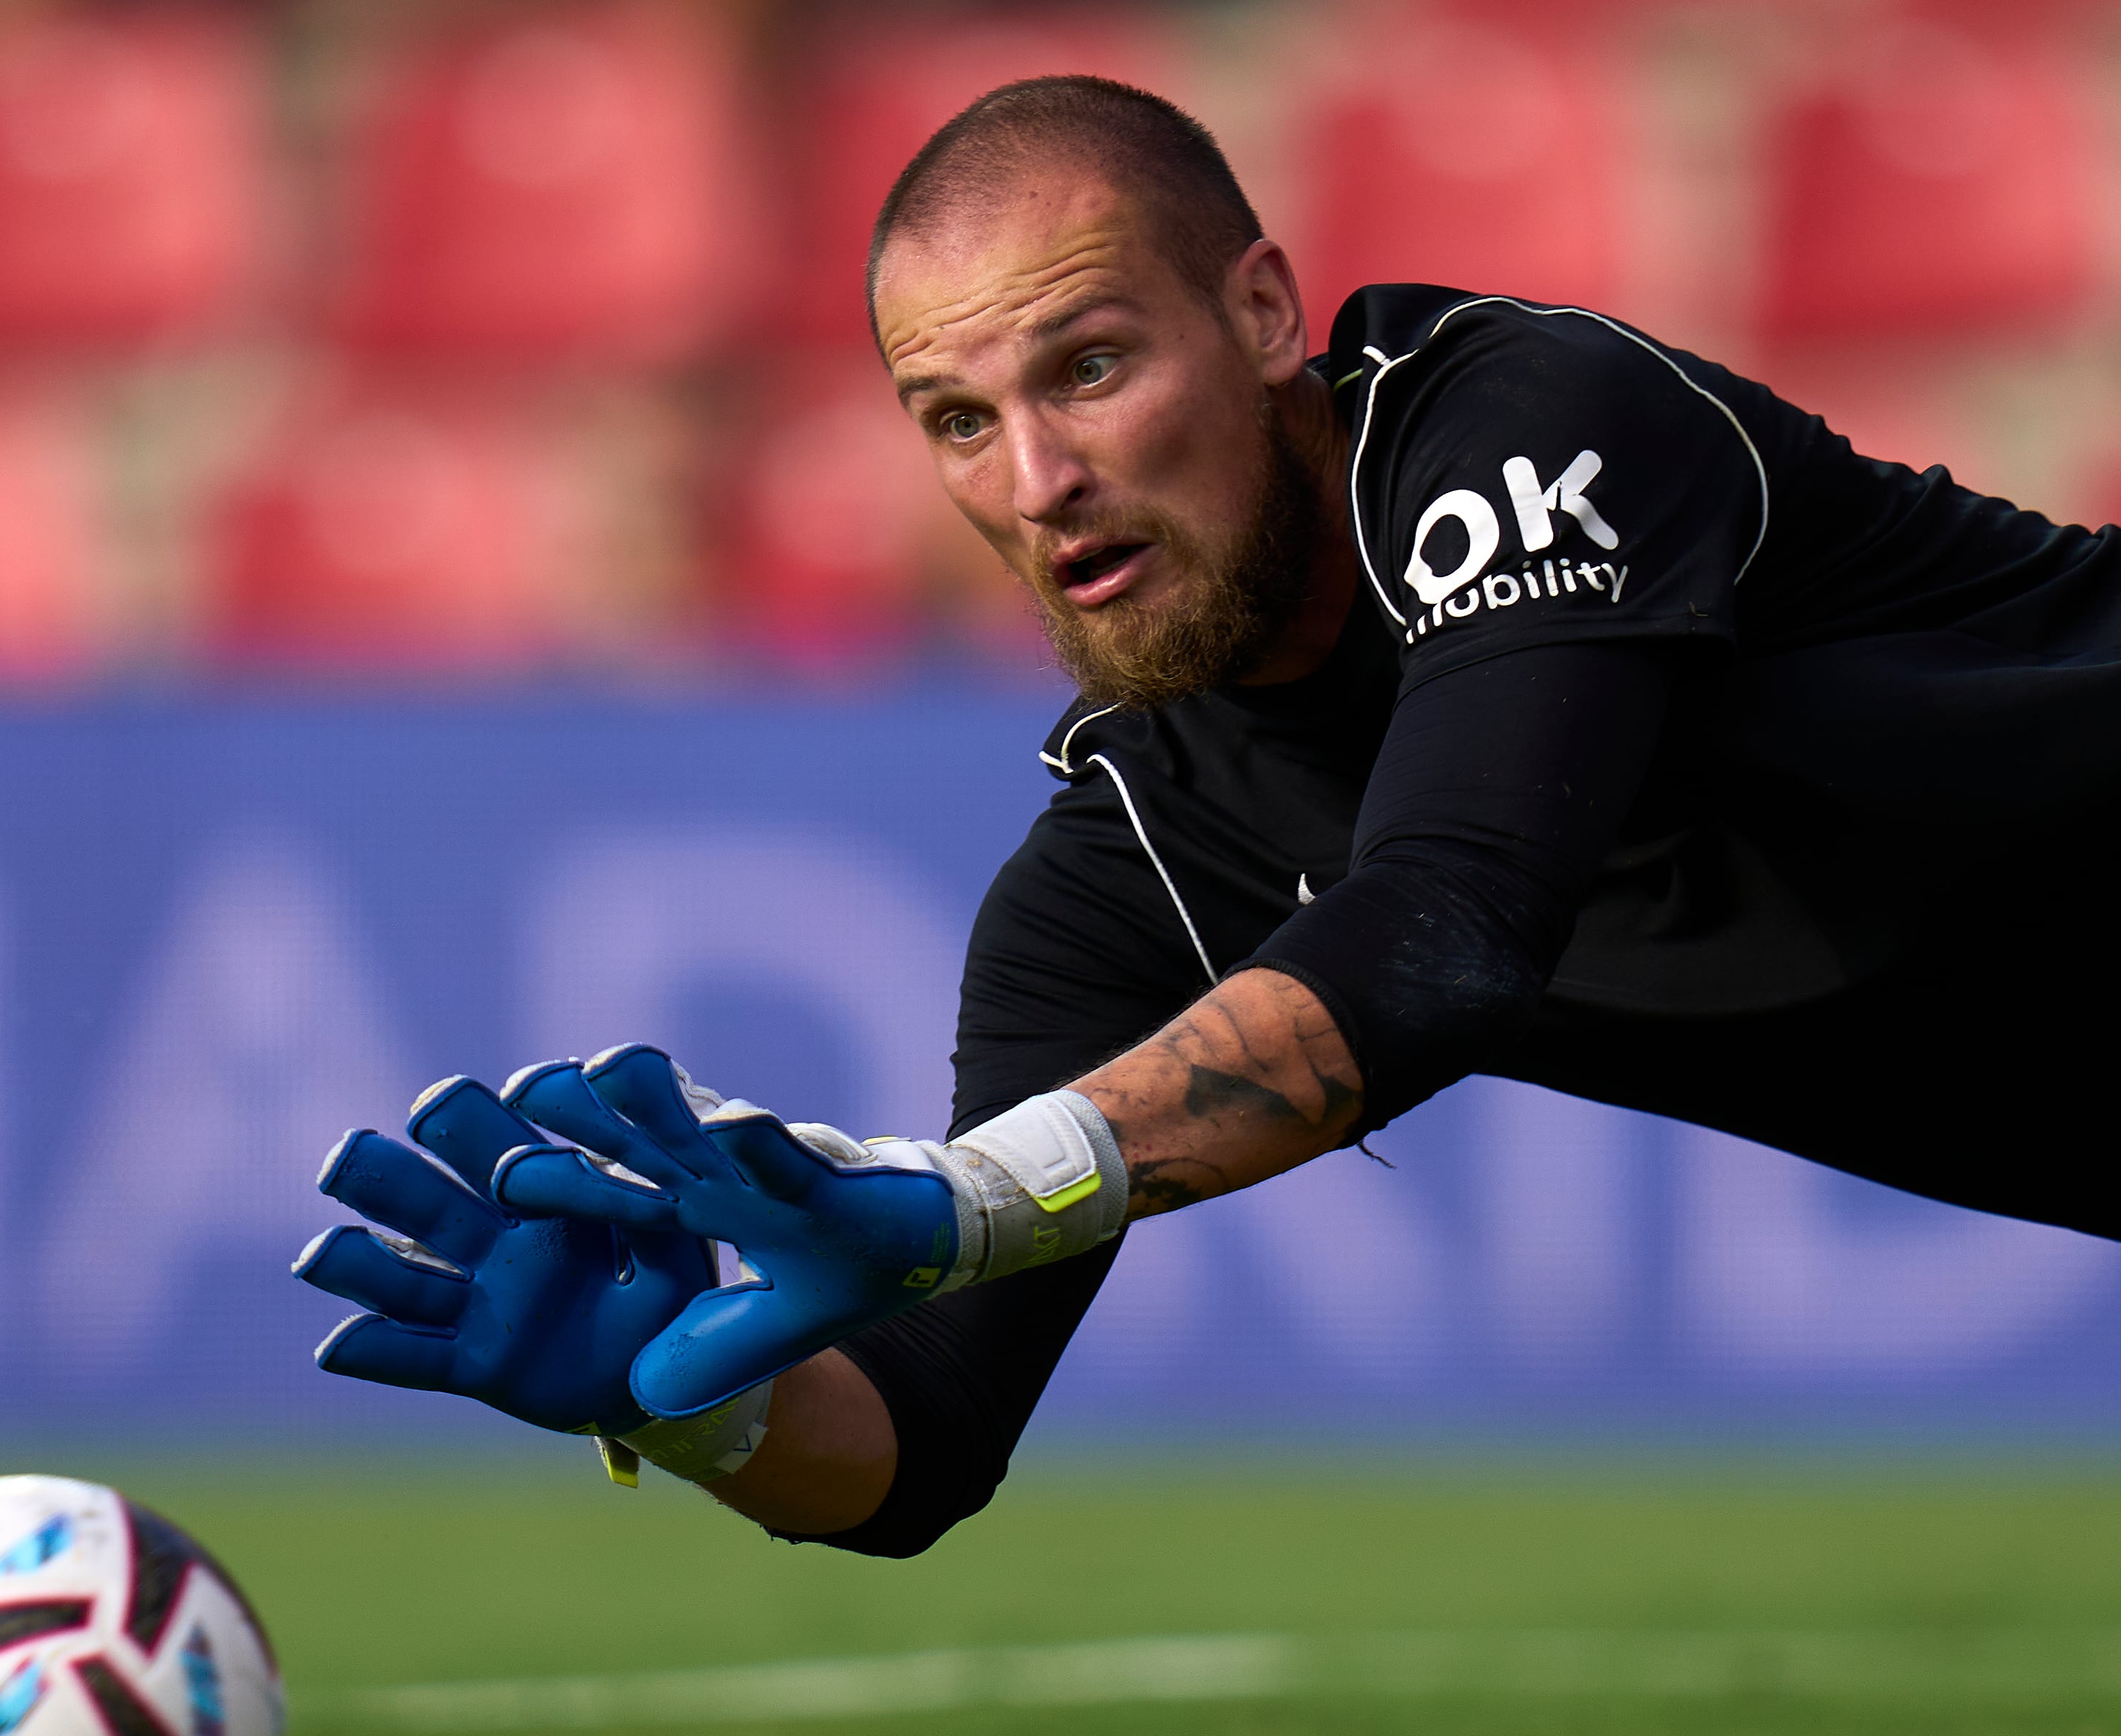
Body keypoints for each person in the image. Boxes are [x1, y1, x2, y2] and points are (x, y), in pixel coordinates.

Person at [294, 76, 2121, 1558]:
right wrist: (694, 1402)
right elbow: (923, 1435)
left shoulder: (1519, 424)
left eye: (1089, 366)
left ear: (1261, 313)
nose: (1036, 479)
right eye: (953, 416)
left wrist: (965, 1196)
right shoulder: (1125, 872)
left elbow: (1448, 930)